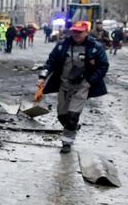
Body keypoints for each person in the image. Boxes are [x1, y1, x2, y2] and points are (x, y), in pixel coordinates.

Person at [35, 21, 109, 154]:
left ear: (86, 32)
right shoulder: (63, 45)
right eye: (74, 31)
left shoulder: (95, 47)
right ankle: (72, 127)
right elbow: (51, 61)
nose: (76, 34)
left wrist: (91, 81)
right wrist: (42, 77)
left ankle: (67, 143)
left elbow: (103, 66)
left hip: (82, 86)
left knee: (73, 116)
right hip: (64, 85)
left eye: (79, 32)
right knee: (62, 116)